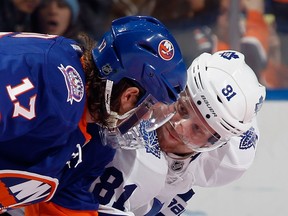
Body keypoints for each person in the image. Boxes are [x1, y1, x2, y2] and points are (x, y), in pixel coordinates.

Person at [0, 15, 187, 214]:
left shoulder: (94, 137)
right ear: (129, 96)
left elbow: (67, 204)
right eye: (148, 109)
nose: (145, 120)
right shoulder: (52, 82)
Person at [89, 50, 266, 215]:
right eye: (182, 108)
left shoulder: (231, 160)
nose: (180, 125)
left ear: (214, 143)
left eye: (197, 128)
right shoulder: (128, 99)